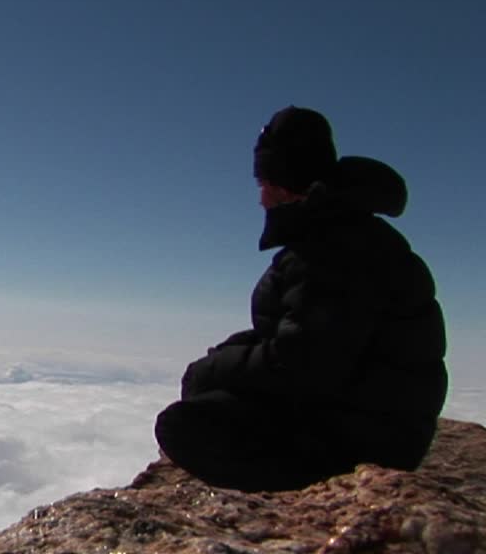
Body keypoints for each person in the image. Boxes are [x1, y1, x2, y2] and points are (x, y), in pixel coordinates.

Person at [154, 105, 447, 492]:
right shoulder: (341, 236)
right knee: (215, 392)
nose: (260, 198)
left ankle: (288, 502)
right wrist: (227, 354)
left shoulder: (334, 252)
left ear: (285, 185)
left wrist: (208, 371)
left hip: (366, 440)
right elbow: (309, 336)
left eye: (264, 184)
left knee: (183, 426)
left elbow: (303, 363)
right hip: (362, 417)